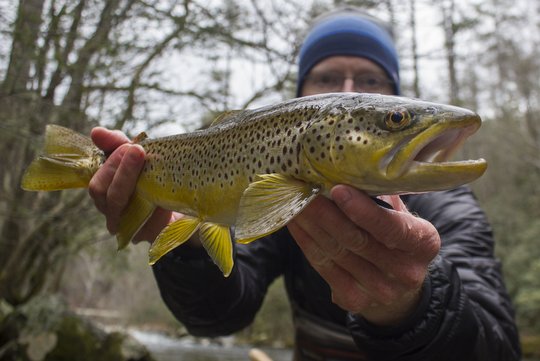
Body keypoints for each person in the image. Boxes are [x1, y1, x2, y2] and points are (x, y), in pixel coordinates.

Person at [88, 7, 521, 361]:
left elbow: (499, 346)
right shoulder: (277, 191)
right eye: (329, 79)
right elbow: (218, 317)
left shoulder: (449, 207)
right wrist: (189, 247)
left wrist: (416, 305)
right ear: (305, 106)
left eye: (371, 84)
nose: (349, 87)